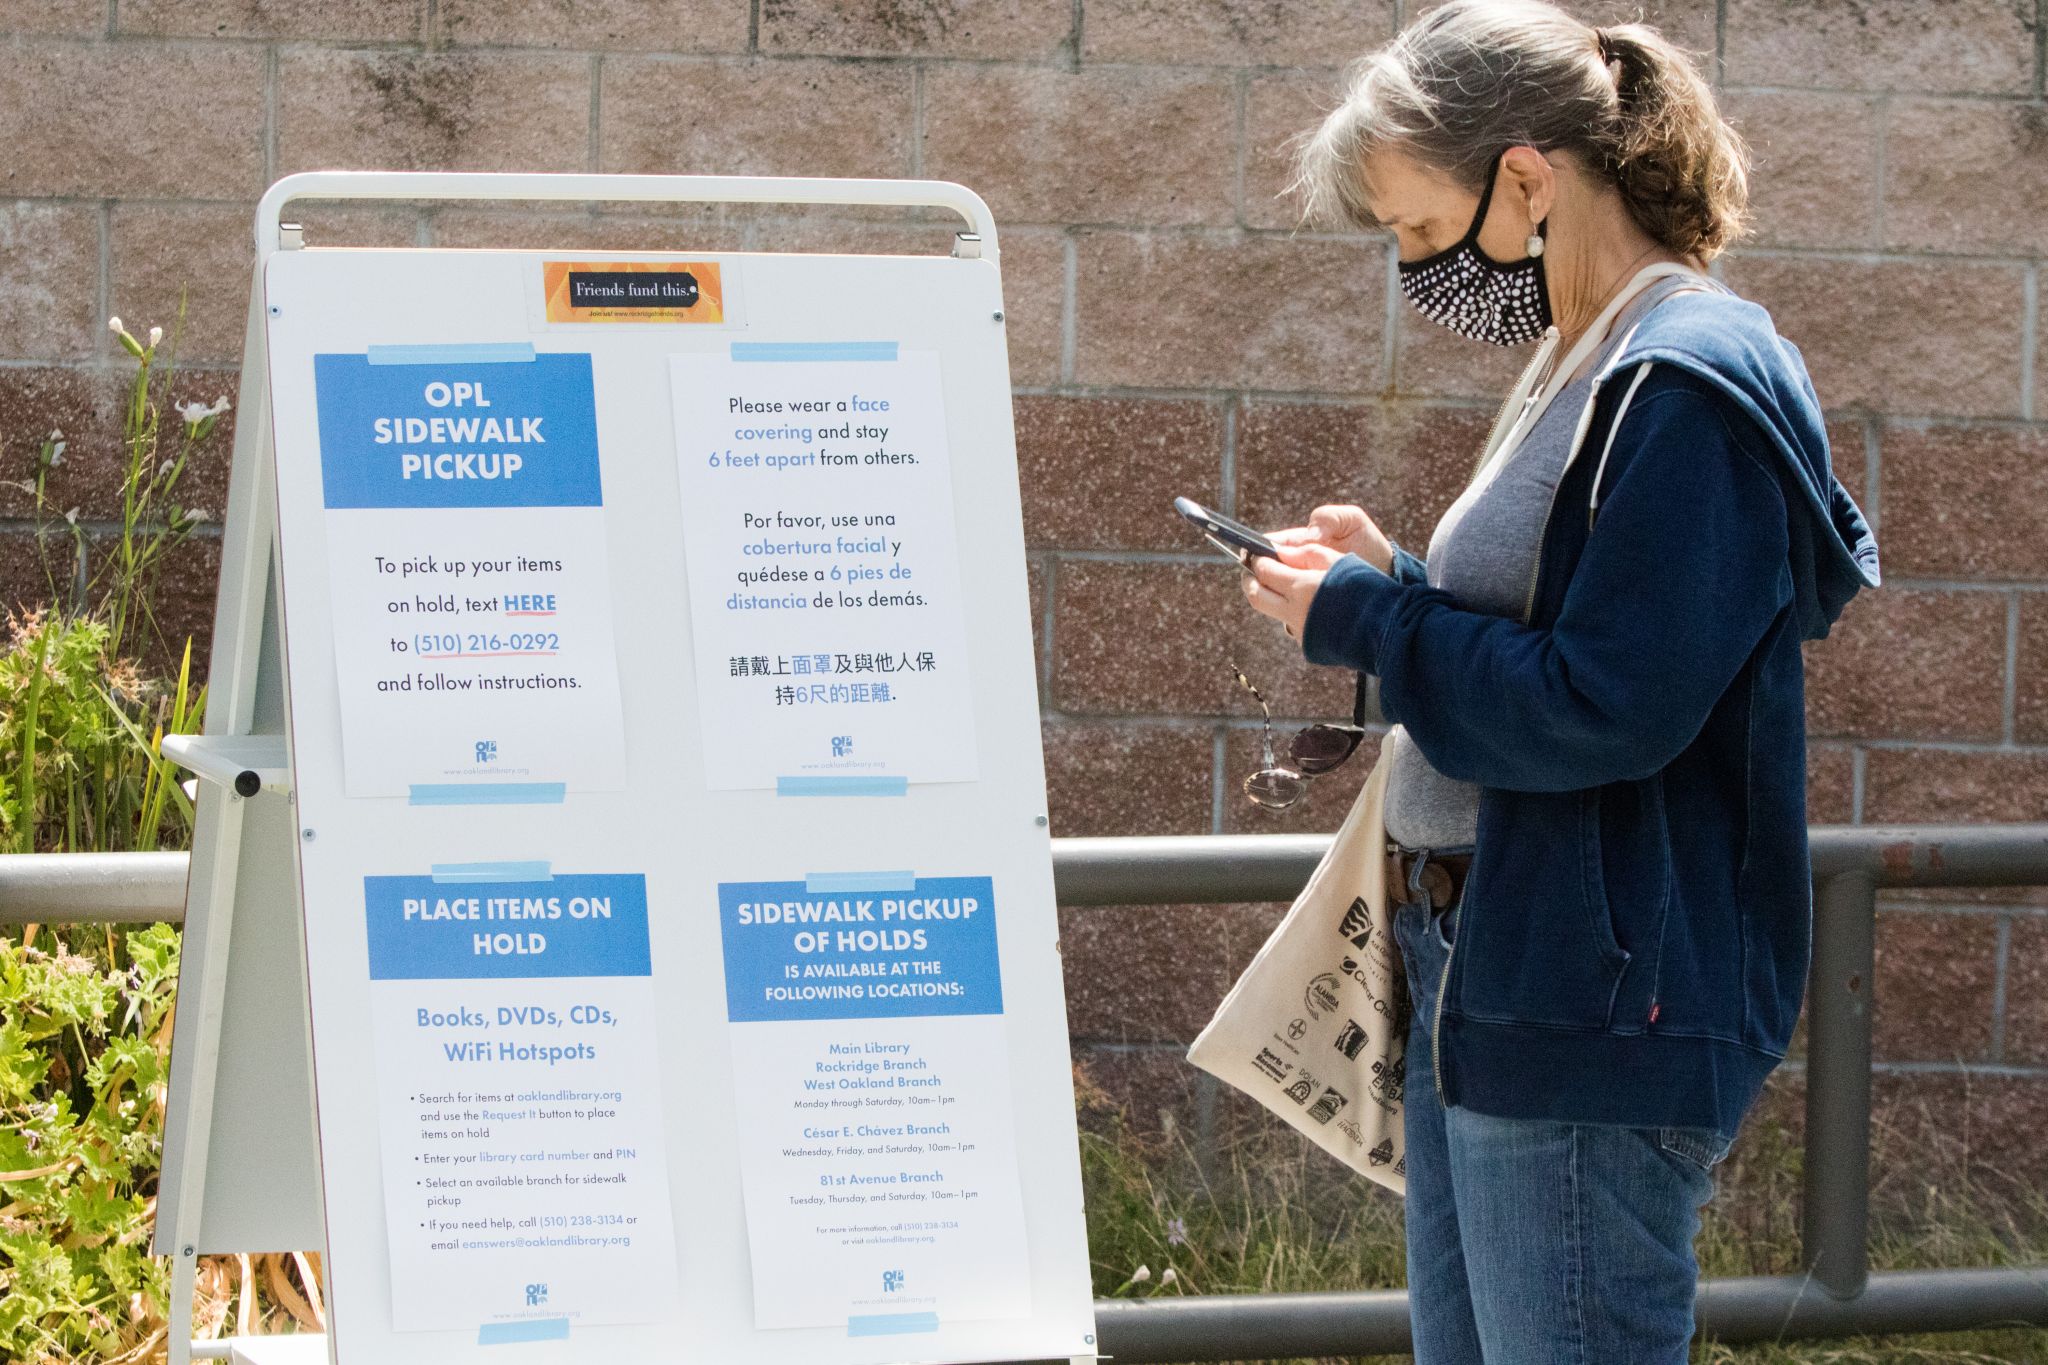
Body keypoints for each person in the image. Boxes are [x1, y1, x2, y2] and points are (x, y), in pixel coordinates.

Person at [1237, 3, 1881, 1361]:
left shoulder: (1688, 381)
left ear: (1525, 178)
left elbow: (1606, 701)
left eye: (1421, 227)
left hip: (1584, 989)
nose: (1418, 265)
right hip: (1493, 963)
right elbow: (1573, 630)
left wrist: (1371, 624)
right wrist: (1402, 583)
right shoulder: (1593, 353)